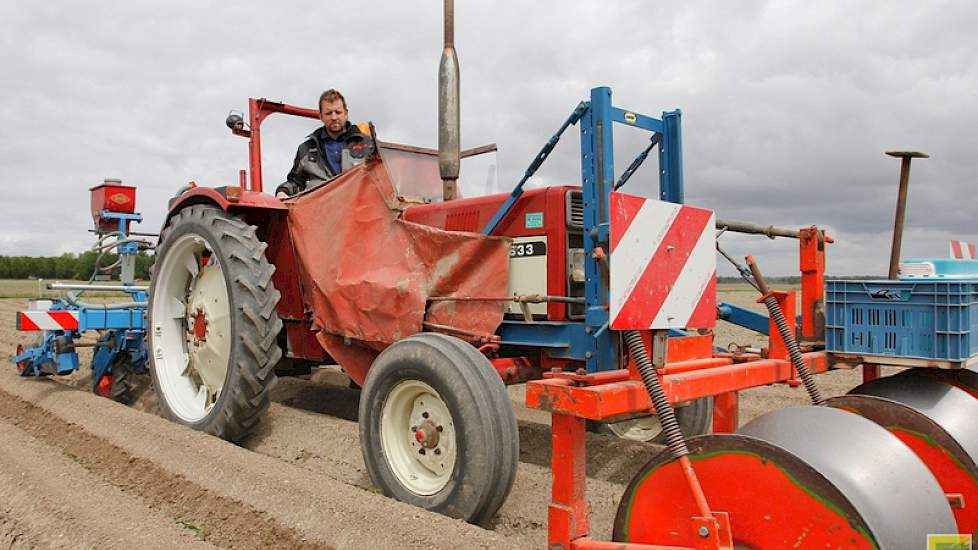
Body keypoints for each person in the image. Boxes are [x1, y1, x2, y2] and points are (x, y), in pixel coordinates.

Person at [275, 89, 371, 198]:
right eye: (328, 113)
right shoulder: (307, 149)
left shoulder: (367, 145)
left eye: (338, 112)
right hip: (321, 211)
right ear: (320, 116)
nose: (334, 117)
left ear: (346, 113)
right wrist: (282, 191)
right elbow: (296, 182)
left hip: (360, 208)